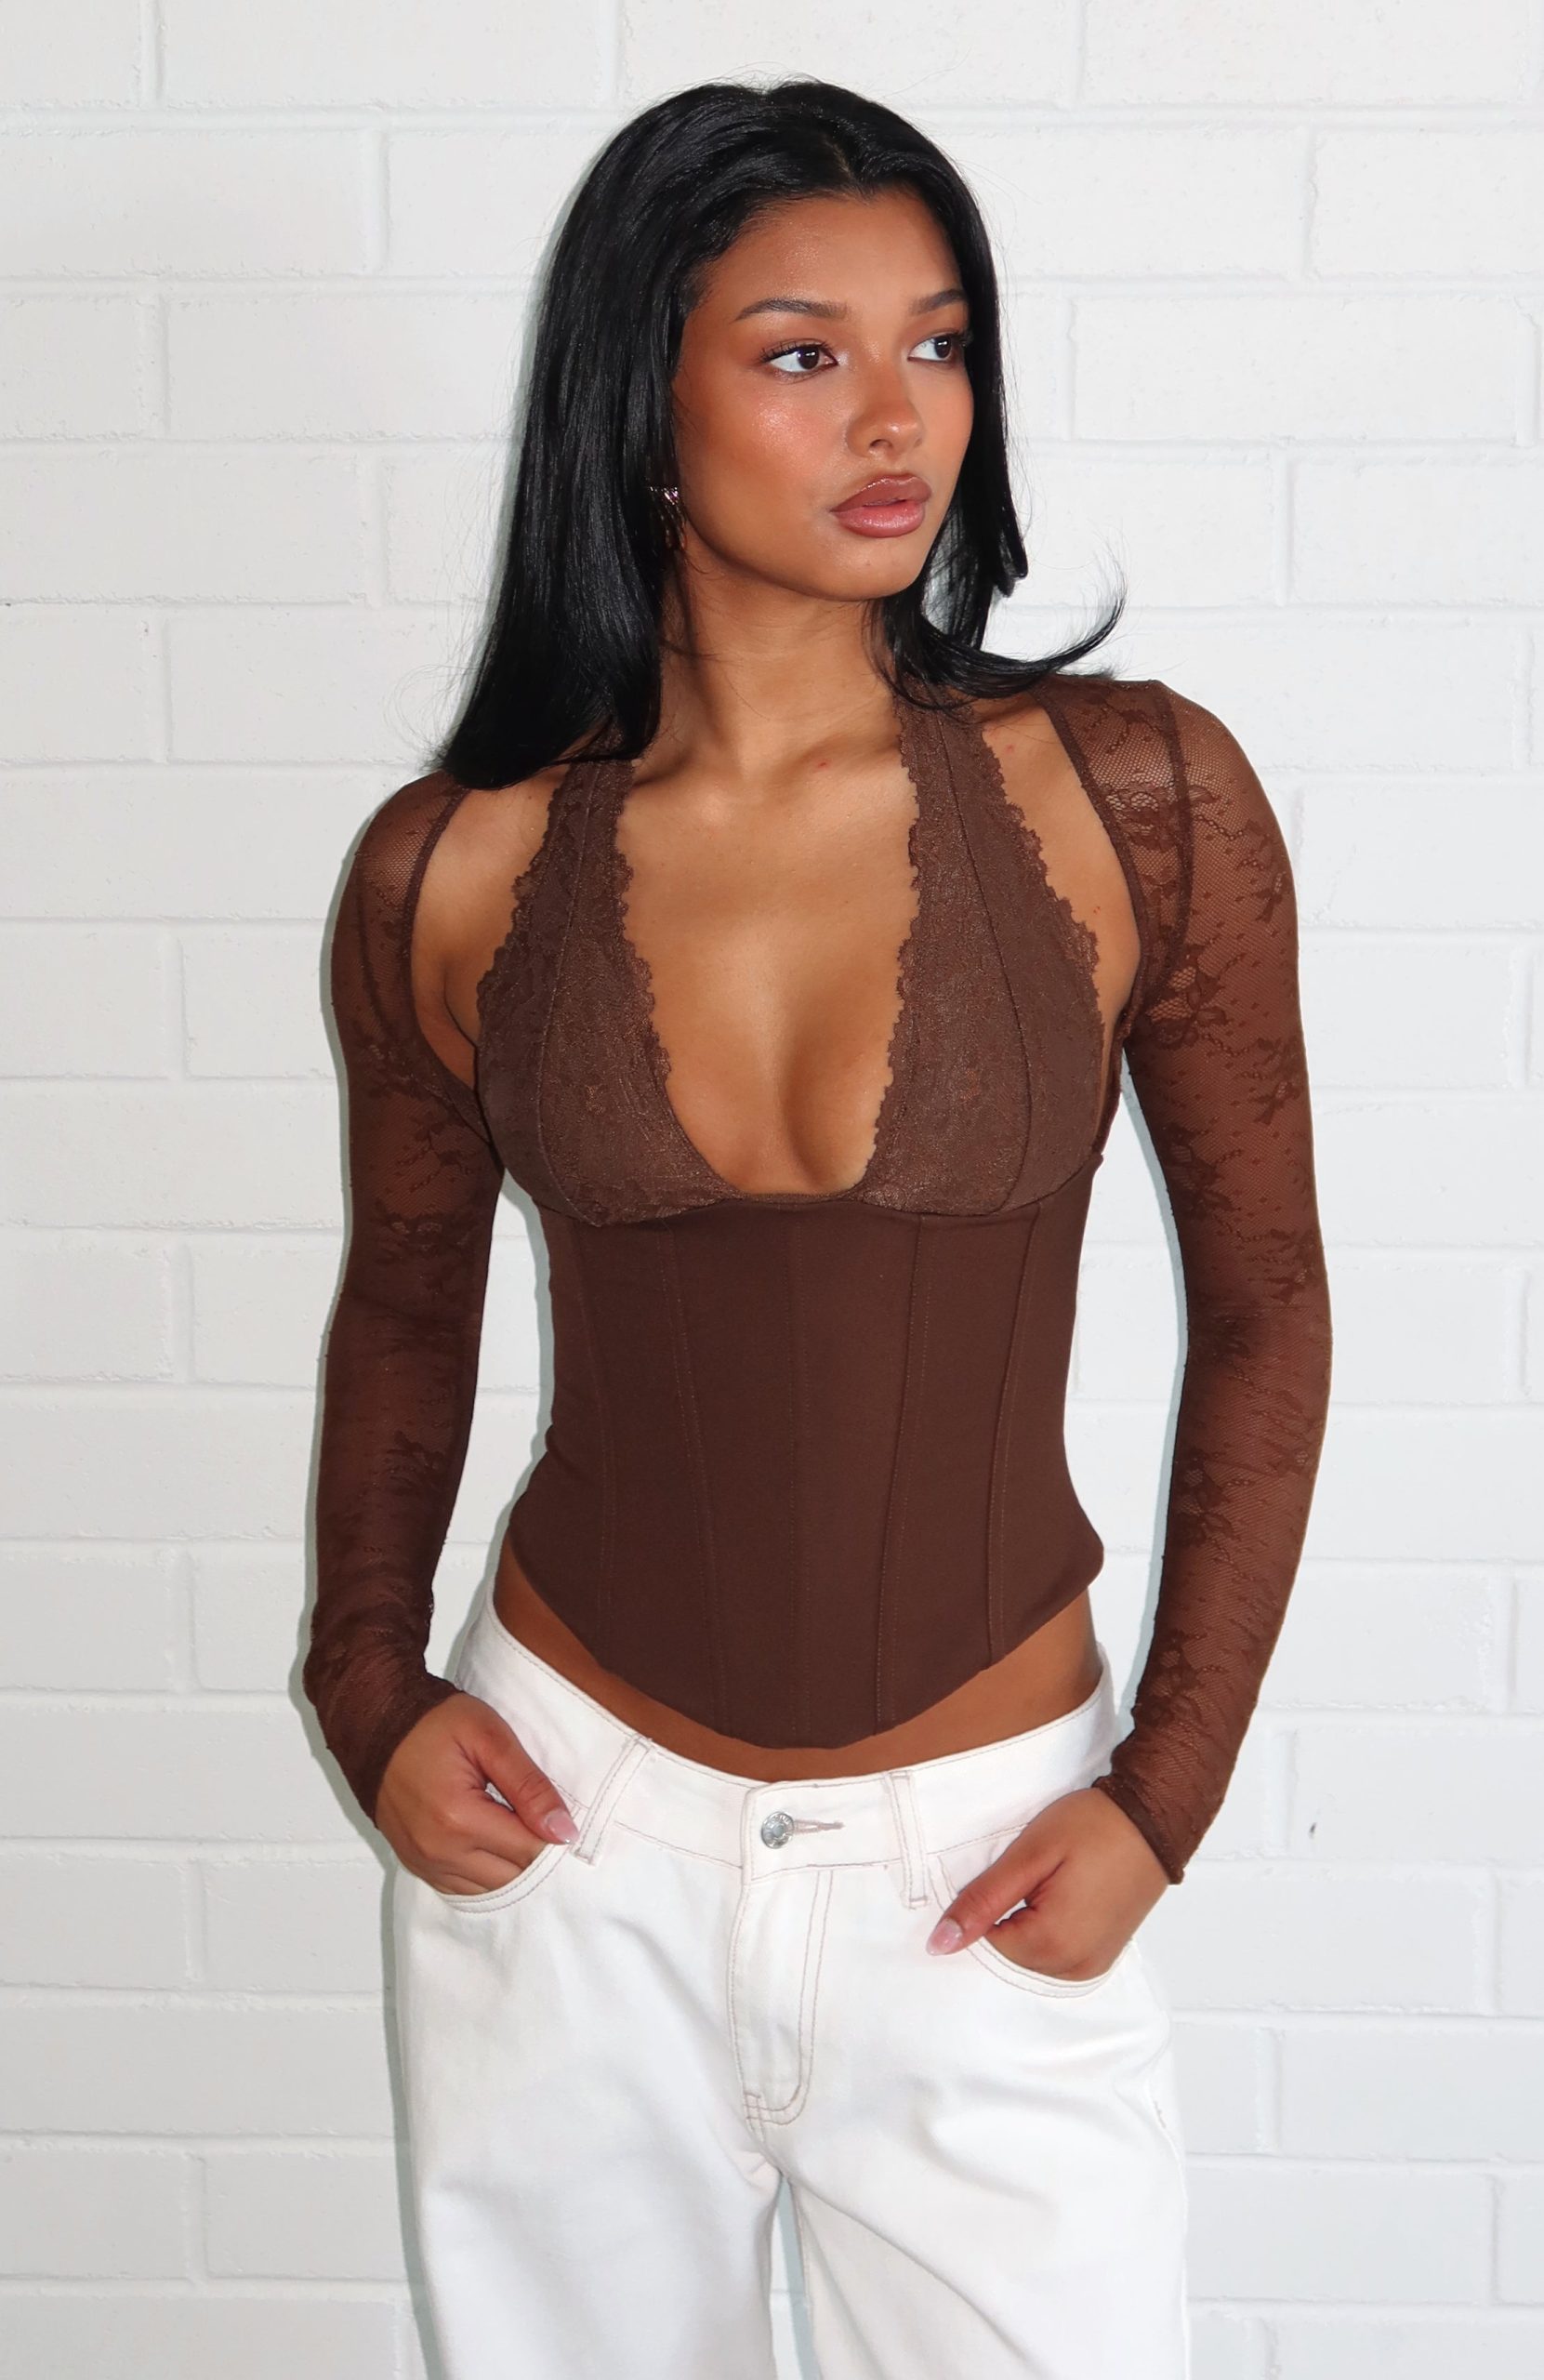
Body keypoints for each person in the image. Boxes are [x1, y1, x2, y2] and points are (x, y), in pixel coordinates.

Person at [304, 76, 1332, 2380]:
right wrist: (369, 1686)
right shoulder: (452, 864)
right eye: (802, 353)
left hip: (992, 1853)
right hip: (573, 1838)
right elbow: (402, 1310)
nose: (898, 417)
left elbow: (1269, 1308)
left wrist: (1162, 1795)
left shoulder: (1137, 796)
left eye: (938, 343)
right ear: (643, 409)